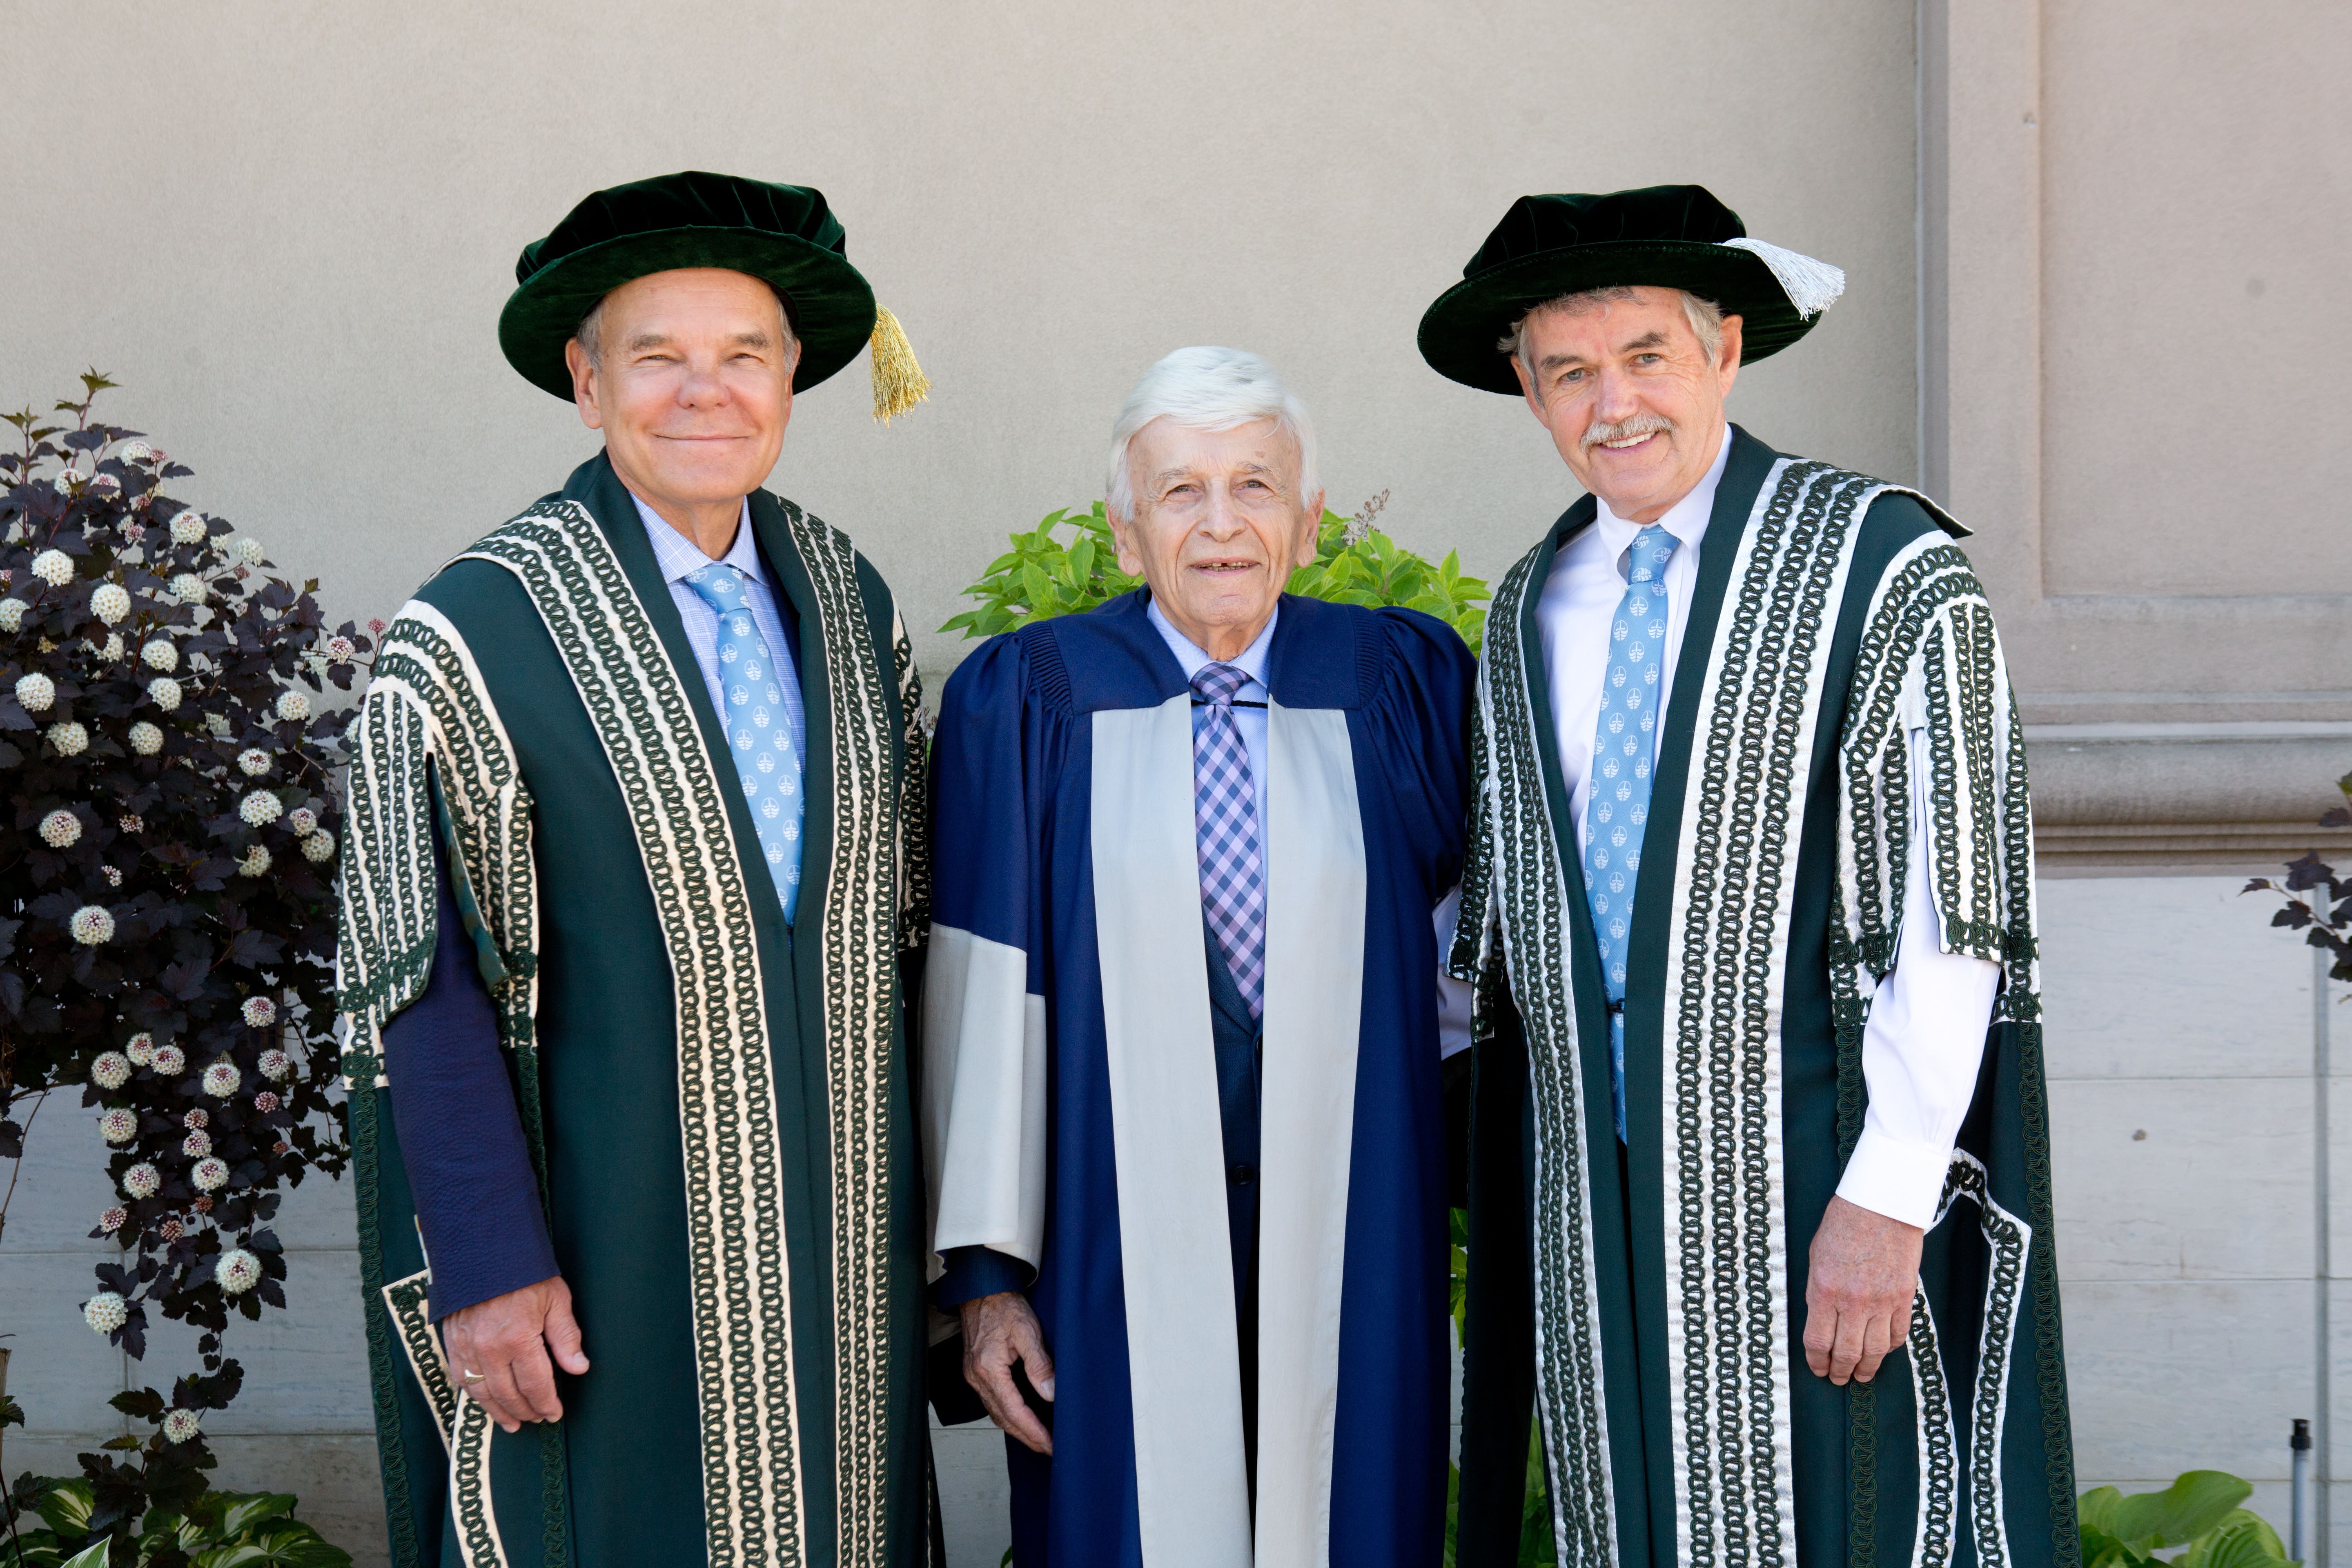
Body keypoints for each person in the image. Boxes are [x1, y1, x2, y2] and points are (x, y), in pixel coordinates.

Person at [1421, 187, 2074, 1566]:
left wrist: (1890, 1196)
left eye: (1646, 355)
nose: (1615, 404)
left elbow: (1957, 913)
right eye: (1570, 373)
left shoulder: (1882, 566)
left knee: (1841, 1520)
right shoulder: (1525, 602)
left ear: (1723, 348)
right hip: (1593, 1196)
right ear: (1530, 395)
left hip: (1811, 1173)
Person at [336, 171, 939, 1567]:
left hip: (845, 1232)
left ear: (794, 378)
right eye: (656, 355)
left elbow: (905, 938)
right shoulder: (474, 635)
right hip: (608, 1243)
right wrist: (488, 1263)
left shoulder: (852, 606)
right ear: (585, 380)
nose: (703, 391)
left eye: (744, 355)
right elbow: (411, 980)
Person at [922, 347, 1476, 1566]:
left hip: (1355, 1230)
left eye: (1256, 487)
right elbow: (981, 987)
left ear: (1310, 519)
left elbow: (1475, 963)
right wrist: (987, 1281)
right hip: (1106, 1241)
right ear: (1127, 533)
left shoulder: (1402, 687)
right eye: (1181, 492)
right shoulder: (1031, 701)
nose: (1222, 525)